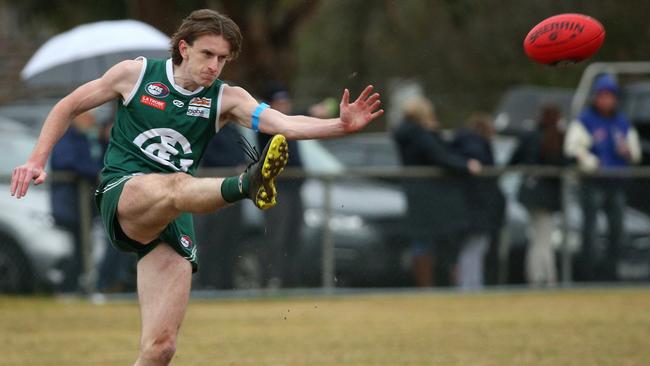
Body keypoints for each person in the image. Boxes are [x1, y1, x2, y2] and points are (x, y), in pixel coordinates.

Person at [10, 9, 383, 366]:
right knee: (176, 184)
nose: (214, 66)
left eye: (222, 59)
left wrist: (340, 125)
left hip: (175, 212)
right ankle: (247, 184)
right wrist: (35, 160)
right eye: (207, 54)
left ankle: (247, 183)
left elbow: (282, 122)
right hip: (125, 192)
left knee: (160, 349)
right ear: (183, 47)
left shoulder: (226, 98)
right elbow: (68, 106)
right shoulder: (135, 75)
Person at [392, 96, 481, 288]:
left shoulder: (406, 133)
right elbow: (440, 156)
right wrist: (465, 165)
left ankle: (428, 286)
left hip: (418, 194)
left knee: (422, 241)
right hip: (433, 195)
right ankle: (445, 286)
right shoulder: (420, 134)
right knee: (441, 241)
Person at [564, 74, 641, 281]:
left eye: (610, 96)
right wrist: (589, 162)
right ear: (596, 97)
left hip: (616, 182)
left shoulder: (622, 122)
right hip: (593, 182)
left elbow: (635, 152)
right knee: (590, 230)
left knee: (617, 229)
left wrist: (629, 151)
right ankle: (588, 275)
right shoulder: (585, 120)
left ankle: (611, 272)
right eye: (602, 96)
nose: (606, 100)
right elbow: (572, 148)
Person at [509, 104, 566, 287]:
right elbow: (564, 162)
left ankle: (540, 277)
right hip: (546, 196)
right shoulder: (557, 137)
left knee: (538, 238)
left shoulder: (530, 135)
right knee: (543, 239)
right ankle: (545, 278)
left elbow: (513, 160)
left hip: (531, 194)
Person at [256, 83, 305, 288]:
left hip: (294, 188)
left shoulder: (289, 124)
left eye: (286, 102)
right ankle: (271, 279)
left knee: (294, 234)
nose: (285, 106)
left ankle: (290, 279)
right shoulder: (269, 127)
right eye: (279, 102)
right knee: (277, 235)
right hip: (276, 189)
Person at [50, 109, 104, 293]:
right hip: (69, 205)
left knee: (84, 248)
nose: (92, 120)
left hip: (84, 206)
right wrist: (94, 172)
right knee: (75, 249)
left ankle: (77, 286)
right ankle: (67, 288)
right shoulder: (66, 137)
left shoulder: (89, 138)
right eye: (88, 116)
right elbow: (67, 161)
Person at [452, 112, 505, 290]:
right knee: (473, 248)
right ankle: (470, 286)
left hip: (471, 207)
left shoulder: (462, 145)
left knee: (474, 249)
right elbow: (474, 159)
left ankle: (472, 284)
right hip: (476, 208)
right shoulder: (475, 146)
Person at [193, 123, 247, 290]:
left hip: (233, 191)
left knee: (230, 238)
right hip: (214, 188)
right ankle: (209, 282)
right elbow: (207, 156)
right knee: (212, 239)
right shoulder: (207, 127)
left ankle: (226, 282)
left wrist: (243, 165)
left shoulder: (233, 129)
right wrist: (232, 167)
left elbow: (242, 152)